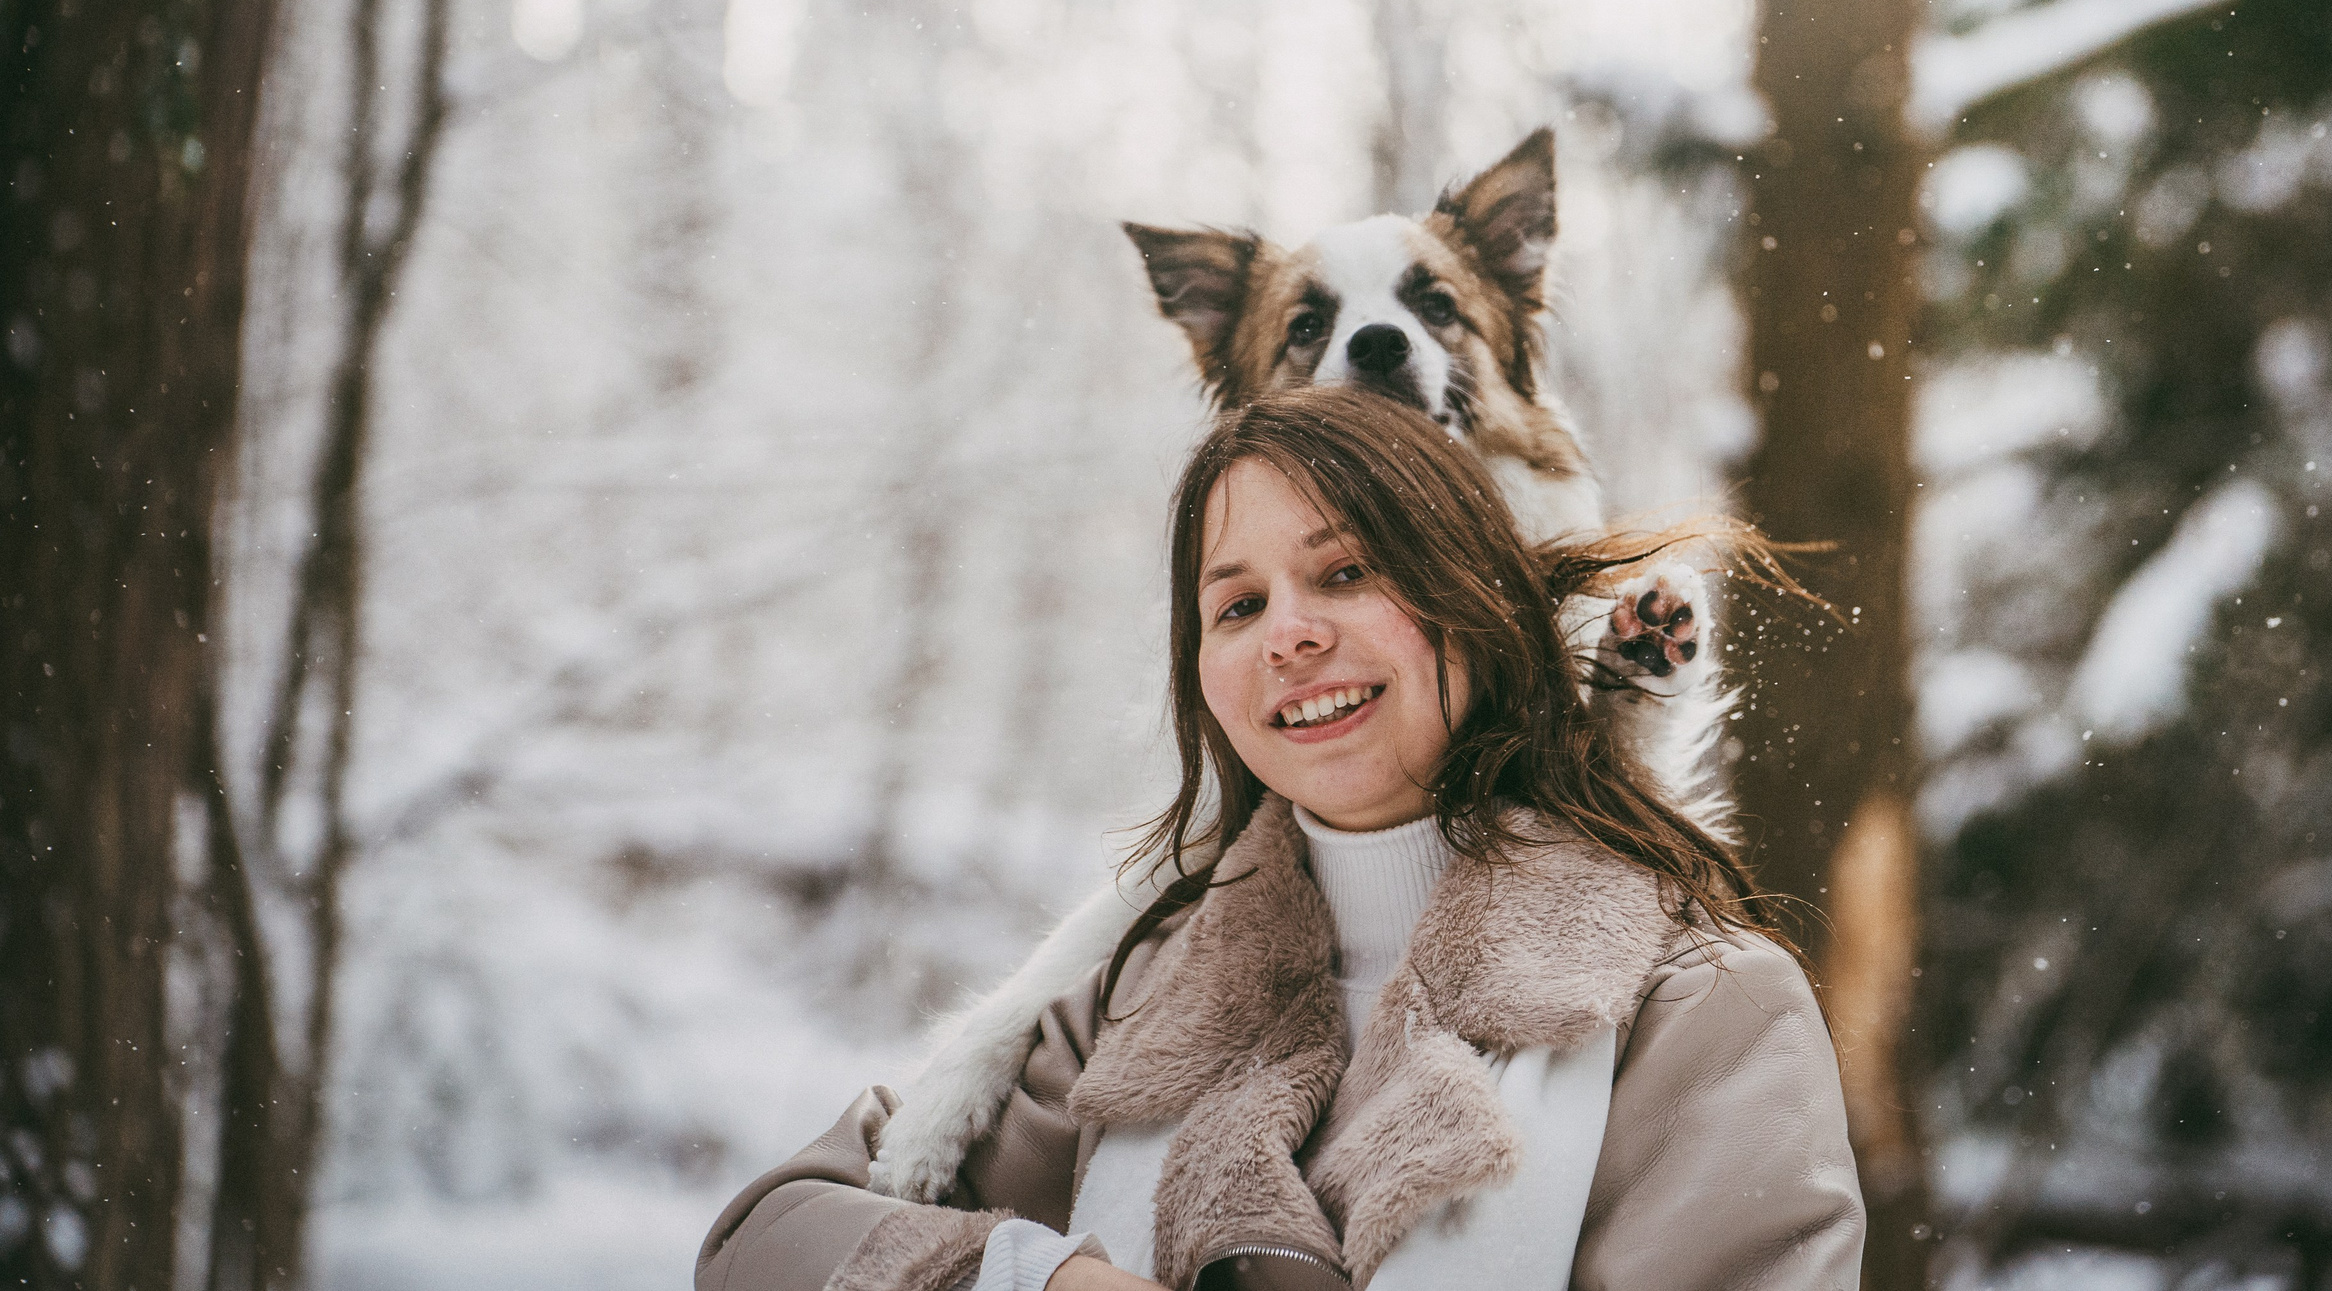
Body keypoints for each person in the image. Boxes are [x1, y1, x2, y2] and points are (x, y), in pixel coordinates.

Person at [698, 385, 1864, 1291]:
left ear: (1477, 600)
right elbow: (766, 1240)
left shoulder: (1700, 1009)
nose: (1289, 636)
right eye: (1238, 604)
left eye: (1345, 573)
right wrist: (1042, 1276)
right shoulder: (1146, 1000)